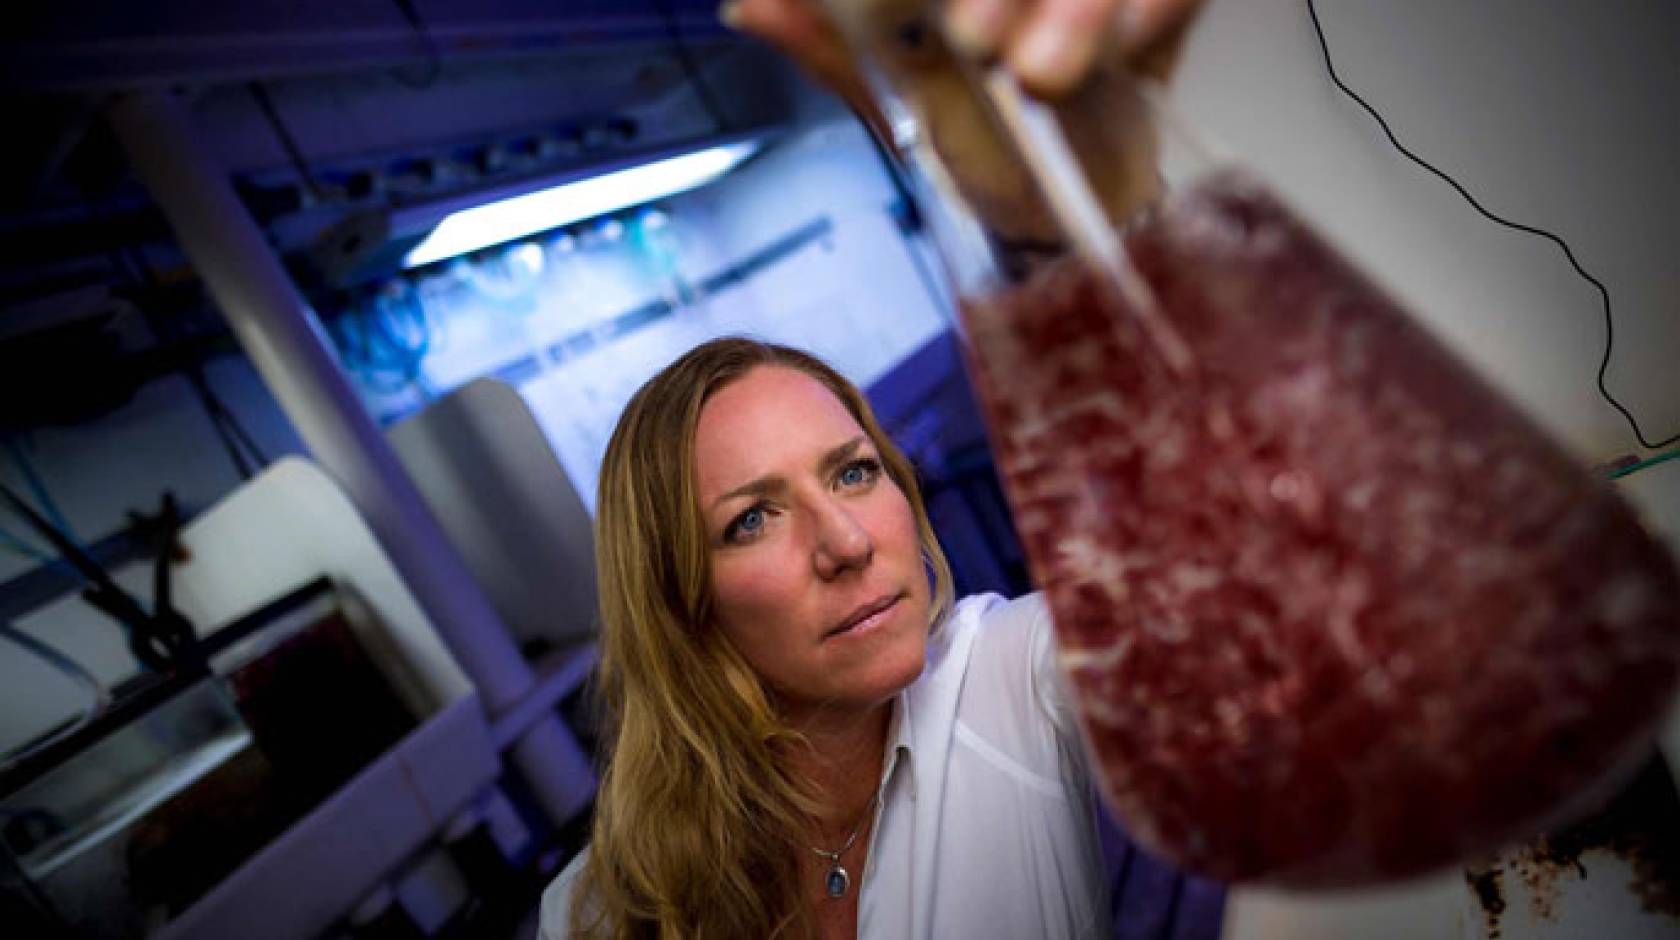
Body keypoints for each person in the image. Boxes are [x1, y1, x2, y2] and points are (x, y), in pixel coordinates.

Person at [540, 2, 1203, 937]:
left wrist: (1077, 216)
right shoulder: (597, 915)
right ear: (681, 603)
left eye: (853, 473)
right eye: (752, 519)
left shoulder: (1013, 676)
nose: (847, 543)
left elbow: (1239, 585)